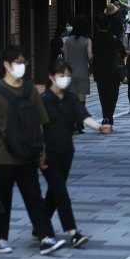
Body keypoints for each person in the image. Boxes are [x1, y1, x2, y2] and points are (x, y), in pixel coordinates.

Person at [0, 45, 66, 256]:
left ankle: (46, 237)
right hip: (1, 157)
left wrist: (42, 149)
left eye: (23, 62)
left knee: (34, 197)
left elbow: (41, 122)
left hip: (28, 153)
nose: (22, 66)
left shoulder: (29, 90)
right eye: (17, 62)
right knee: (2, 200)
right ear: (6, 65)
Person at [38, 61, 111, 248]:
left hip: (66, 153)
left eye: (68, 76)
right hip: (48, 154)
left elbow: (84, 117)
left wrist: (99, 127)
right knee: (61, 193)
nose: (66, 79)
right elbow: (36, 128)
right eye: (62, 75)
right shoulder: (44, 100)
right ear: (51, 77)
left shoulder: (71, 98)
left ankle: (40, 224)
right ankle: (73, 233)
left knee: (54, 192)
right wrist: (40, 152)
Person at [92, 14, 126, 125]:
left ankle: (105, 116)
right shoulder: (114, 38)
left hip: (99, 71)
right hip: (114, 71)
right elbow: (123, 53)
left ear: (97, 25)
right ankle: (109, 115)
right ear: (109, 25)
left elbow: (91, 55)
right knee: (113, 95)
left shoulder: (94, 39)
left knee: (103, 95)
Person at [63, 16, 92, 103]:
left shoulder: (67, 41)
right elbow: (90, 57)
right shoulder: (87, 41)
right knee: (81, 100)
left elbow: (66, 59)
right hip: (83, 72)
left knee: (72, 99)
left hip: (70, 72)